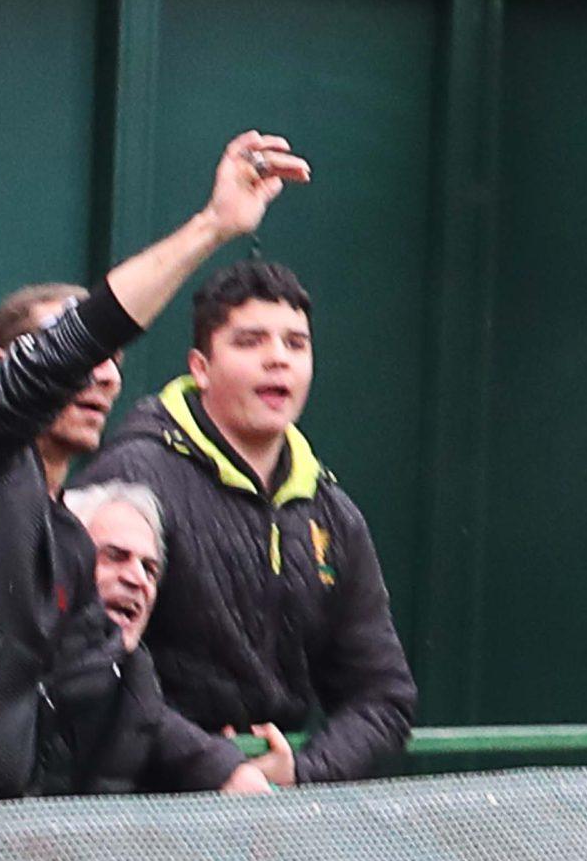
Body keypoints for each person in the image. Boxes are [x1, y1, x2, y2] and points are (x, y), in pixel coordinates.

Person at [0, 133, 308, 809]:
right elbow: (66, 352)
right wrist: (212, 226)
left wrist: (229, 770)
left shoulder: (69, 545)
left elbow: (116, 691)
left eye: (114, 366)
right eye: (80, 357)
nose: (103, 375)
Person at [83, 260, 416, 784]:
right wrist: (215, 766)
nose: (277, 359)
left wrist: (301, 772)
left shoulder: (335, 515)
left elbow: (385, 697)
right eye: (250, 341)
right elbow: (88, 664)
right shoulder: (127, 480)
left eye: (296, 344)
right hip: (136, 809)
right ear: (200, 367)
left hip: (272, 813)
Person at [61, 480, 295, 793]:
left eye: (150, 569)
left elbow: (173, 740)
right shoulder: (22, 667)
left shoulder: (134, 678)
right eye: (114, 556)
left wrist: (231, 772)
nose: (137, 579)